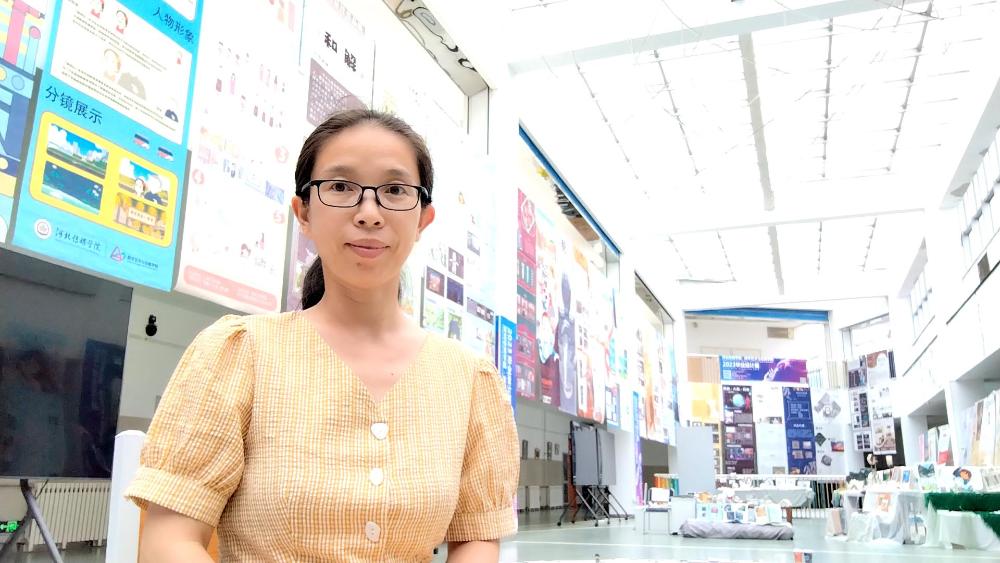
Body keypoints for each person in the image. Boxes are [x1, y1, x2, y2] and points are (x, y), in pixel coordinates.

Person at [126, 108, 519, 562]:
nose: (369, 213)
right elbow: (169, 540)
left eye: (394, 190)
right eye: (340, 187)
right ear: (304, 213)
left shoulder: (469, 380)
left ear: (423, 219)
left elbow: (475, 537)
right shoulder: (238, 354)